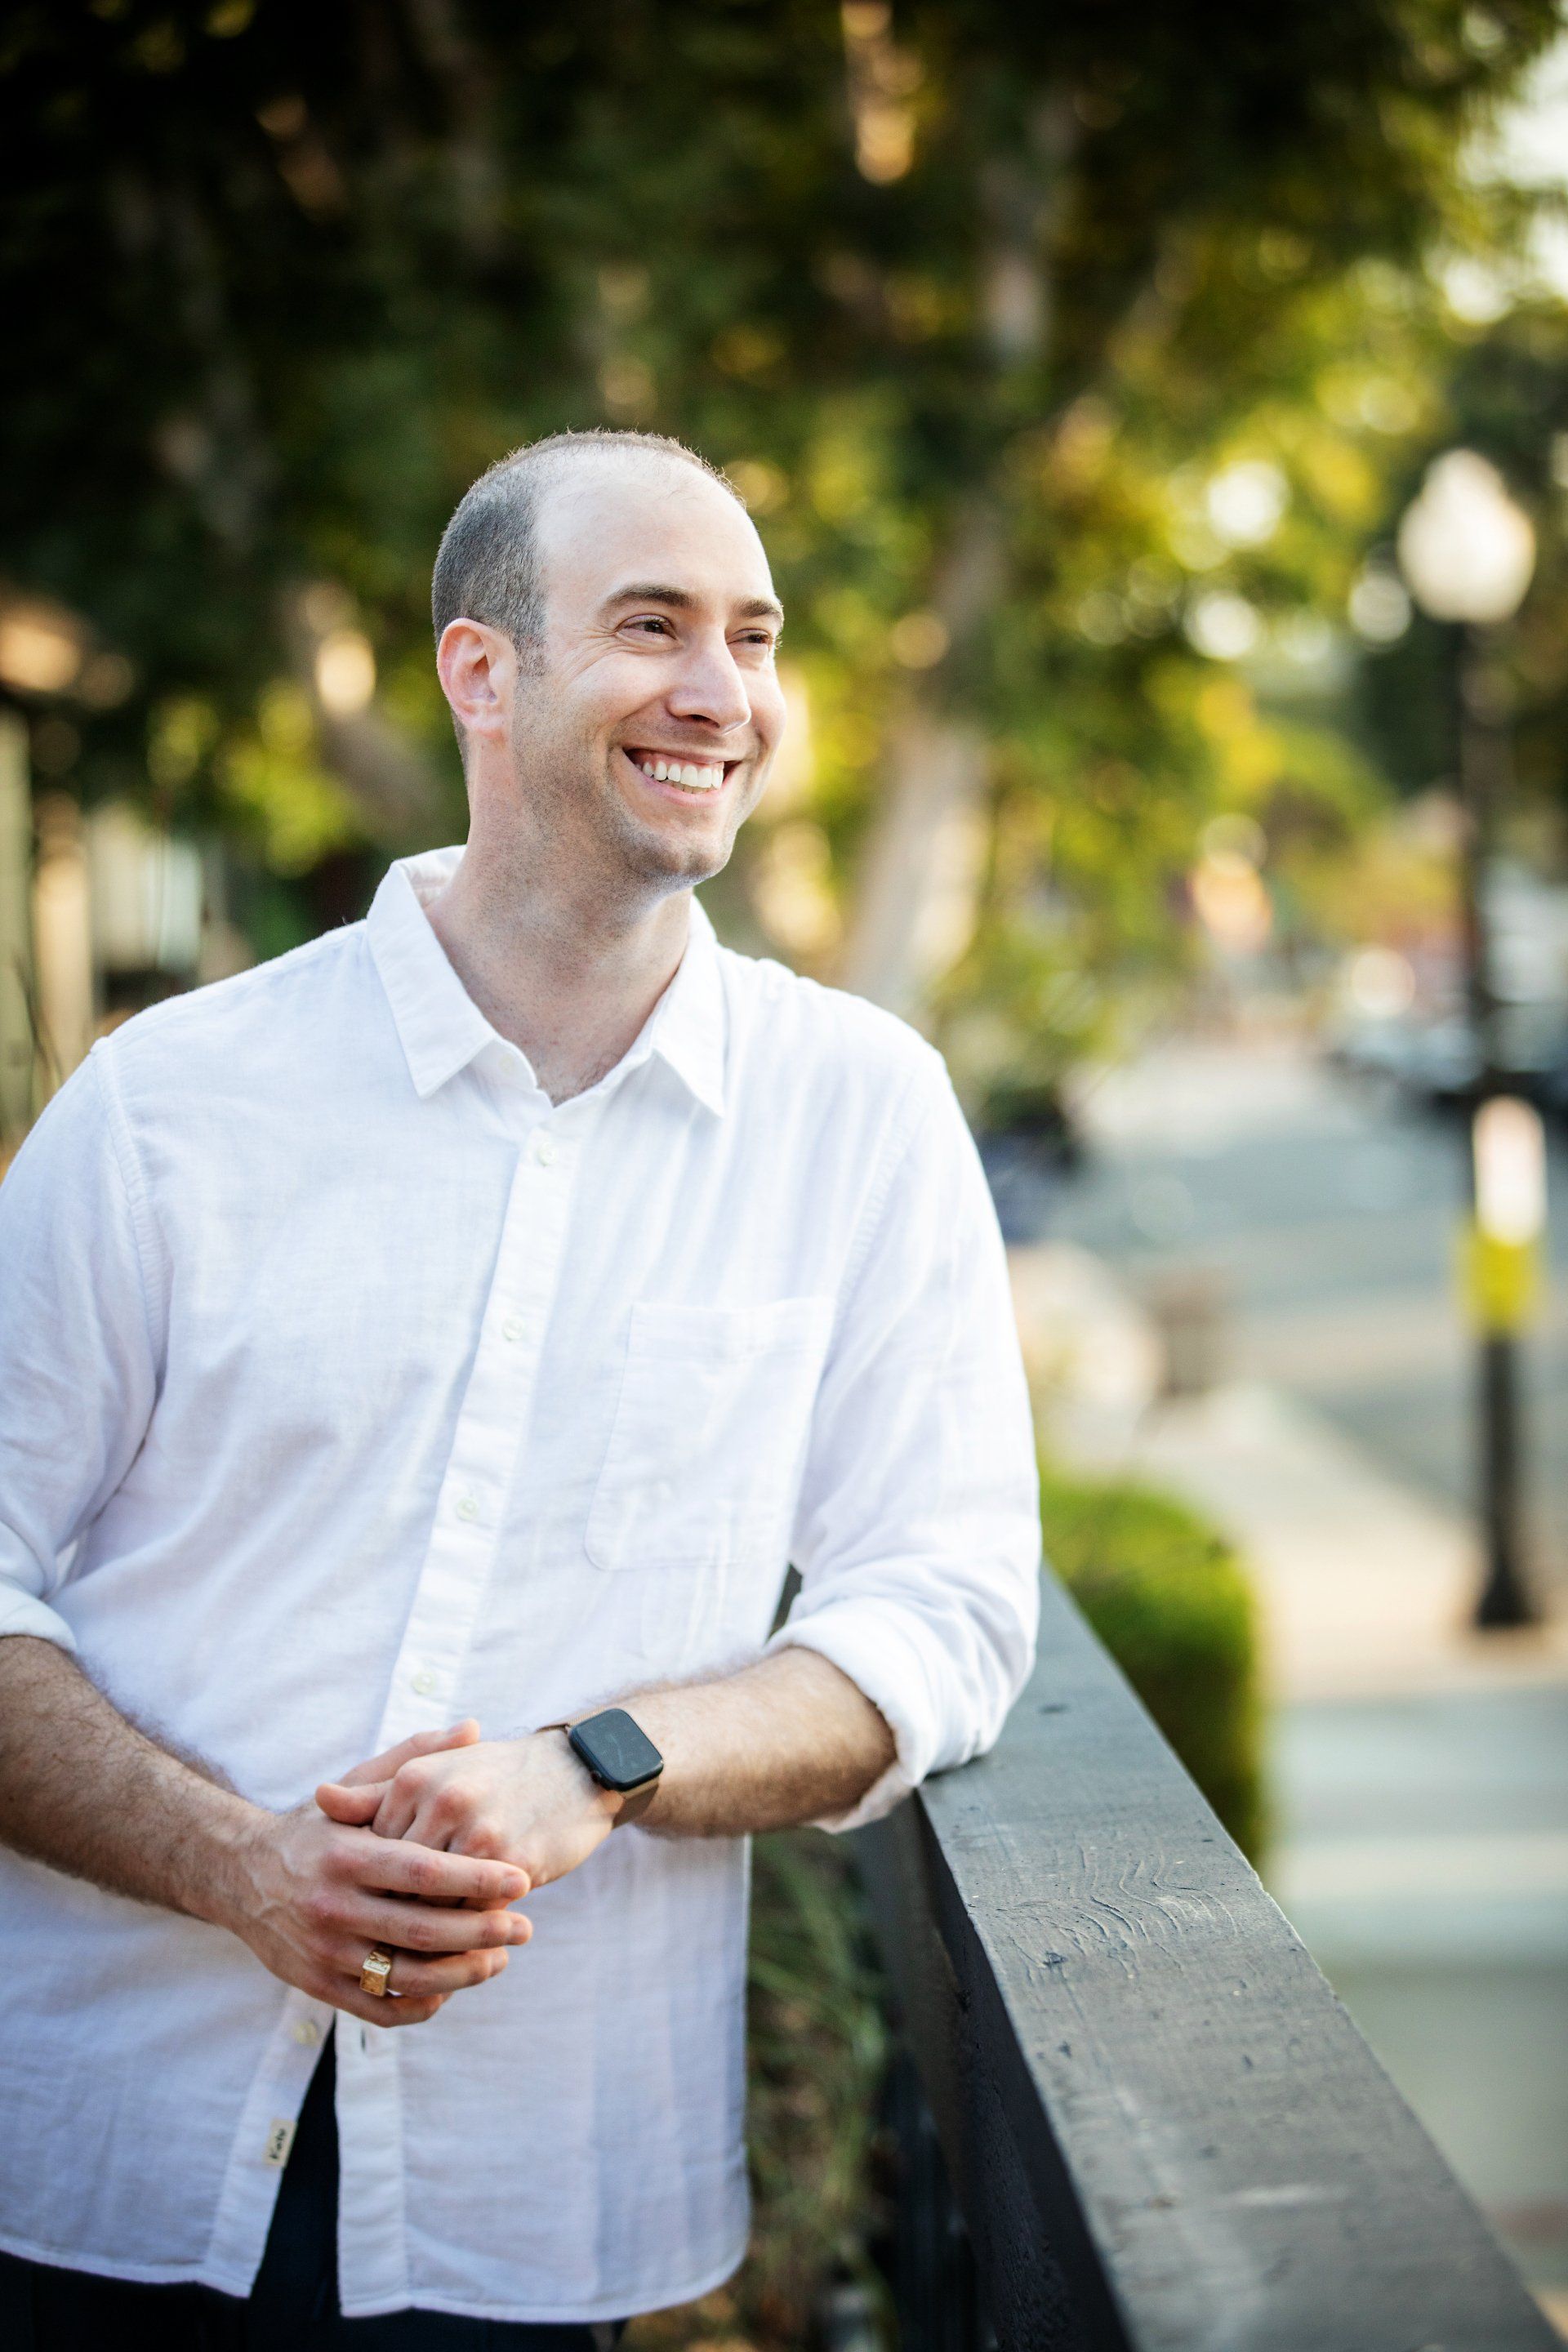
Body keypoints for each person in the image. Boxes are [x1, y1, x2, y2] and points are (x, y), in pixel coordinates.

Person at [0, 430, 1040, 2346]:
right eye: (652, 627)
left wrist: (600, 1764)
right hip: (97, 2157)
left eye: (754, 638)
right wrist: (242, 1868)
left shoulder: (858, 1114)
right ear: (482, 674)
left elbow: (948, 1607)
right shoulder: (167, 1106)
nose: (722, 694)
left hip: (536, 2187)